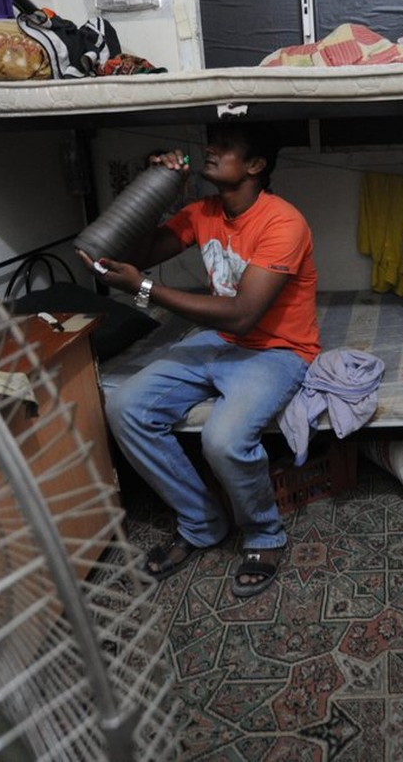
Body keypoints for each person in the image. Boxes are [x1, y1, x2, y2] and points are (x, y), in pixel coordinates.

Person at [80, 122, 318, 598]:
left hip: (277, 351)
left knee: (224, 438)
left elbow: (245, 314)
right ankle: (202, 522)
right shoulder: (200, 212)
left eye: (225, 146)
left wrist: (144, 290)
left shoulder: (282, 222)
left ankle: (264, 533)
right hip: (218, 340)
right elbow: (137, 255)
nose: (210, 149)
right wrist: (153, 193)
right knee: (125, 407)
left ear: (255, 166)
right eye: (212, 142)